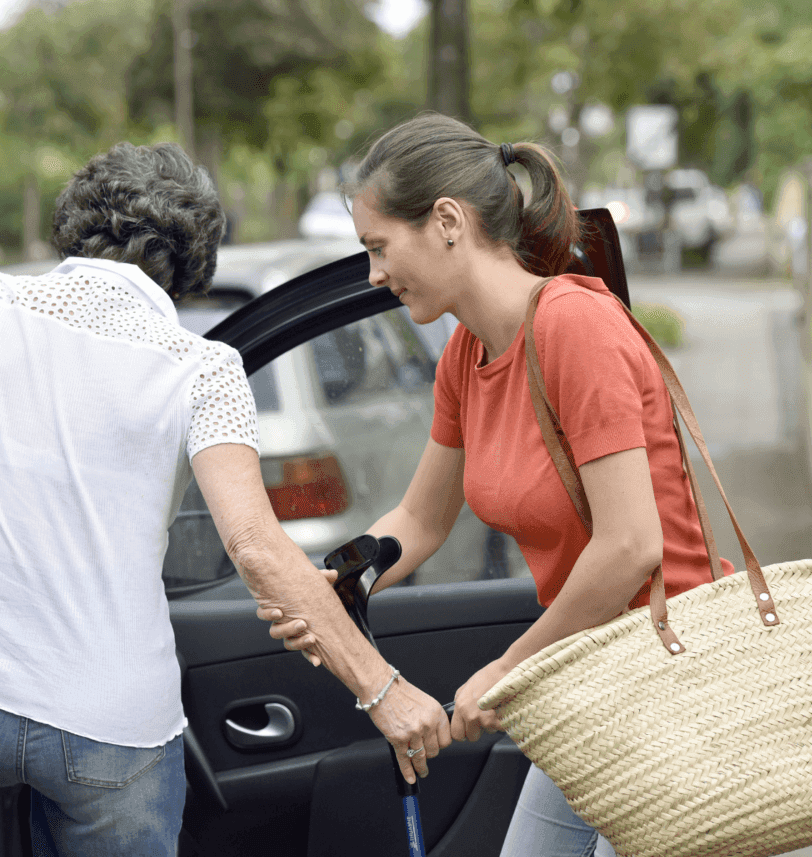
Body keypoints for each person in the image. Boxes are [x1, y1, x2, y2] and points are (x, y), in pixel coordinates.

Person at [0, 140, 450, 856]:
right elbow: (255, 548)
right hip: (111, 731)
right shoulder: (204, 370)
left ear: (78, 218)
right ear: (193, 259)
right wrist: (381, 689)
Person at [266, 113, 728, 857]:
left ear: (447, 220)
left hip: (672, 683)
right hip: (587, 682)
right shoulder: (467, 354)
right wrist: (341, 582)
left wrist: (511, 668)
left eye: (380, 247)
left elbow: (631, 545)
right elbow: (420, 517)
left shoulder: (578, 327)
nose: (375, 274)